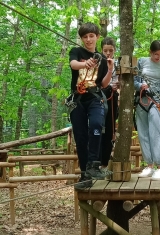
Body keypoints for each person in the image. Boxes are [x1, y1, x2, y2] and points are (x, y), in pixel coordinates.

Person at [68, 22, 114, 189]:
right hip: (78, 99)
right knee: (81, 138)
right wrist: (84, 64)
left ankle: (94, 165)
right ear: (81, 38)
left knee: (96, 125)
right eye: (85, 37)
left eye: (91, 36)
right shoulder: (76, 52)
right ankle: (84, 175)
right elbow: (73, 64)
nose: (88, 39)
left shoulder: (101, 58)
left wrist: (109, 70)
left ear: (97, 37)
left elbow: (102, 84)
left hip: (94, 98)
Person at [134, 40, 160, 181]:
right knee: (143, 134)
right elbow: (133, 81)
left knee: (155, 133)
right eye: (156, 54)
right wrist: (140, 85)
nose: (158, 57)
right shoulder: (141, 62)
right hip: (141, 100)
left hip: (157, 101)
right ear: (150, 52)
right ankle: (149, 166)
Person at [100, 37, 120, 175]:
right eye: (105, 50)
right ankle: (96, 162)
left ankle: (105, 164)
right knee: (98, 128)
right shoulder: (98, 62)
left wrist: (119, 86)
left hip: (112, 97)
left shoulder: (119, 64)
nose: (108, 53)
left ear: (114, 50)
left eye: (111, 50)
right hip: (99, 98)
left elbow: (123, 80)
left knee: (110, 130)